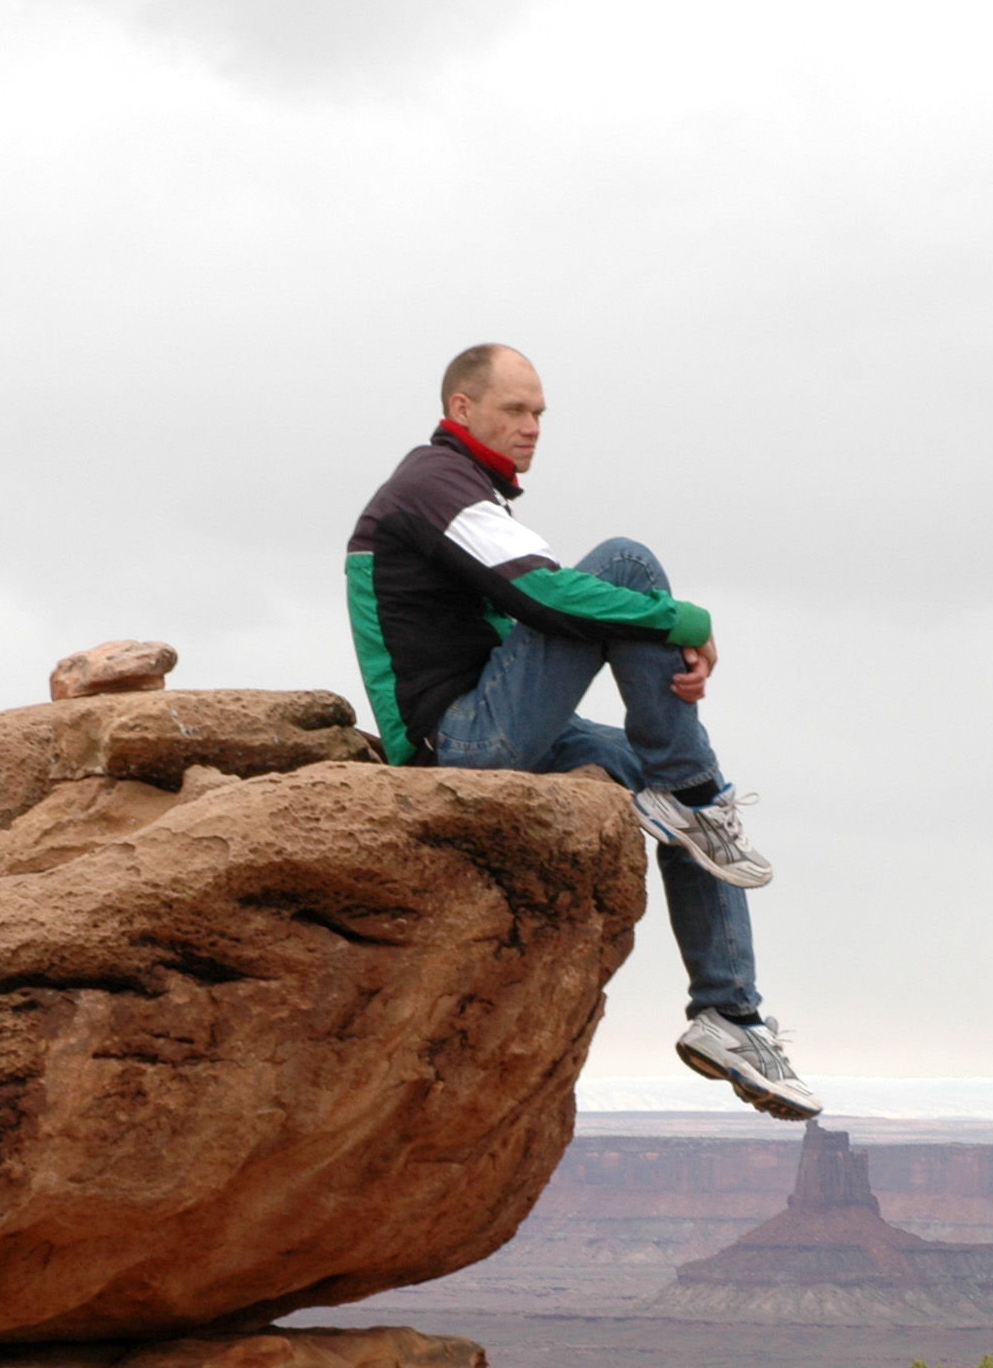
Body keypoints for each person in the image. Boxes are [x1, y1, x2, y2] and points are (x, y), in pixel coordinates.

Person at [344, 343, 820, 1120]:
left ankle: (729, 1016)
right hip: (460, 742)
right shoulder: (434, 486)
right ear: (462, 408)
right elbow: (549, 597)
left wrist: (661, 655)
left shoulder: (471, 495)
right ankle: (691, 794)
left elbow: (553, 610)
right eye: (515, 410)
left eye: (539, 413)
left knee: (689, 796)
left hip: (493, 722)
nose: (532, 426)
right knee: (626, 565)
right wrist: (684, 622)